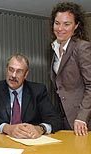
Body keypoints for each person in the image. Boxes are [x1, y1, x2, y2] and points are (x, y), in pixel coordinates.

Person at [0, 53, 63, 139]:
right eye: (11, 70)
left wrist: (40, 129)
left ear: (25, 75)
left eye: (19, 71)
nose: (13, 75)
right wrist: (8, 128)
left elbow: (55, 119)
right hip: (4, 140)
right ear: (6, 70)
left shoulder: (38, 91)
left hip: (30, 141)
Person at [50, 2, 91, 136]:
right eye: (57, 23)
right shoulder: (55, 48)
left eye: (66, 24)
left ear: (76, 26)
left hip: (83, 121)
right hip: (65, 119)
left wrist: (82, 117)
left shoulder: (82, 47)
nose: (60, 28)